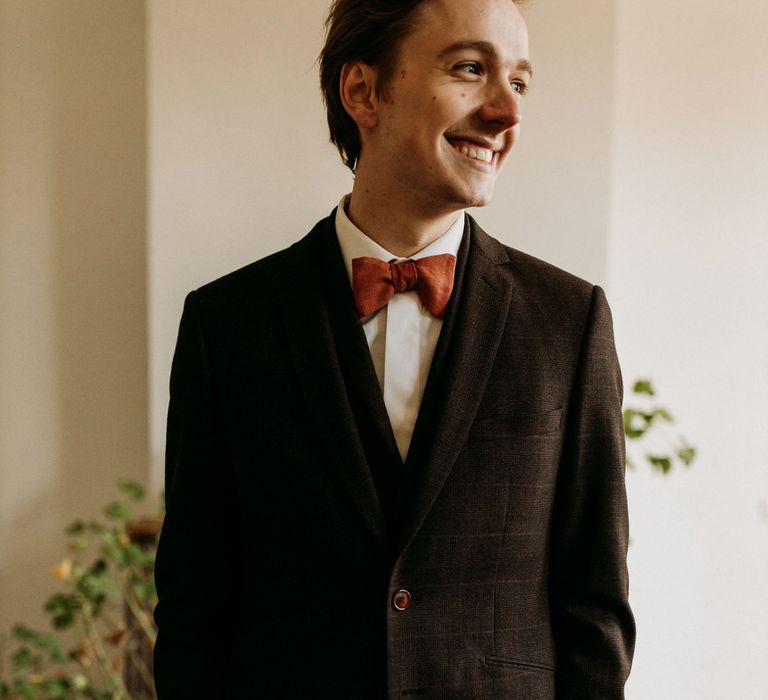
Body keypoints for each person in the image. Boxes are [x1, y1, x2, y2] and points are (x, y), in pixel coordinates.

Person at [153, 0, 636, 697]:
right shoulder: (227, 323)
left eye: (521, 82)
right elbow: (195, 608)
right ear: (363, 92)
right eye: (470, 68)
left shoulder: (569, 321)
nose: (507, 112)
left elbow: (595, 608)